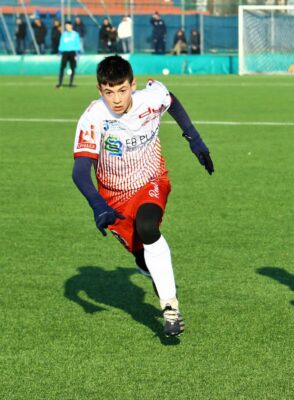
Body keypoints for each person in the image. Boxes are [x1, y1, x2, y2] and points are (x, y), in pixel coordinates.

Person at [71, 55, 214, 336]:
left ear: (132, 85)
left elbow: (171, 100)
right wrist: (98, 204)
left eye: (122, 90)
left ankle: (170, 308)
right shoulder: (93, 117)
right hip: (114, 197)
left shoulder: (150, 98)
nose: (116, 99)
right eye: (109, 92)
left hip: (152, 179)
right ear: (100, 90)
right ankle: (152, 269)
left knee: (148, 228)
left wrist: (194, 139)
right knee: (141, 257)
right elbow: (79, 171)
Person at [56, 21, 81, 88]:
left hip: (72, 52)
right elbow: (61, 43)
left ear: (71, 26)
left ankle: (70, 83)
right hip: (65, 53)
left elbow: (78, 44)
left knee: (73, 68)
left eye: (68, 25)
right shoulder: (64, 34)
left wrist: (78, 53)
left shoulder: (75, 34)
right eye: (66, 26)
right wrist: (59, 52)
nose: (67, 27)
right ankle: (60, 83)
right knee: (62, 68)